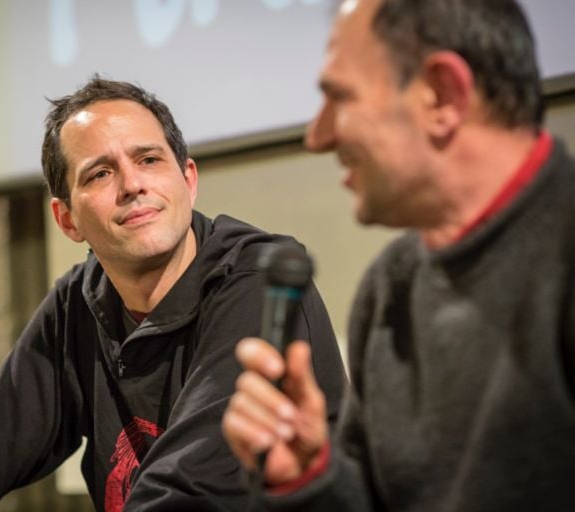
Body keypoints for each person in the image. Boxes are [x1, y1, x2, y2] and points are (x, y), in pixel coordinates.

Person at [0, 77, 347, 512]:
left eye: (148, 159)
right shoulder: (78, 302)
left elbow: (190, 491)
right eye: (100, 173)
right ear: (67, 219)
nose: (132, 185)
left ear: (188, 179)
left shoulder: (257, 280)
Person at [222, 0, 575, 510]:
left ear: (442, 95)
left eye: (339, 98)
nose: (317, 137)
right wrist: (307, 477)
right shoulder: (391, 284)